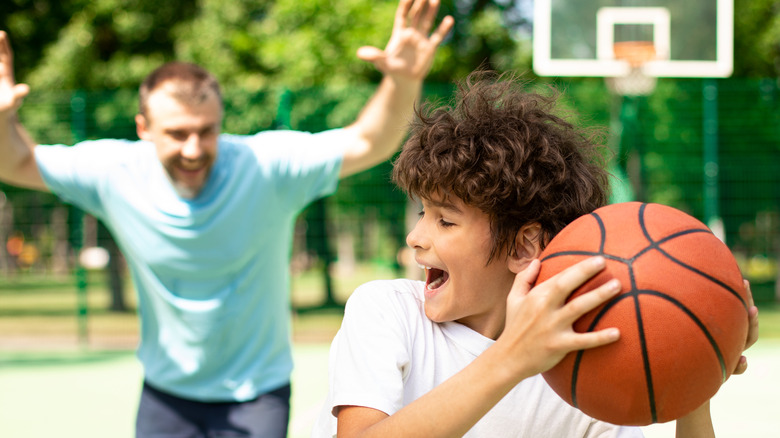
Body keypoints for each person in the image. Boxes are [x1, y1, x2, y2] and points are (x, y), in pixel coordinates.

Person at [0, 1, 454, 436]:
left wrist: (401, 81)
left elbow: (367, 143)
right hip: (166, 394)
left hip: (257, 393)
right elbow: (17, 163)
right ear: (143, 129)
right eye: (177, 134)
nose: (194, 149)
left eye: (206, 131)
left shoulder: (265, 166)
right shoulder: (114, 172)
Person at [313, 72, 760, 438]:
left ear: (524, 246)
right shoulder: (387, 312)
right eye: (422, 213)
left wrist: (697, 364)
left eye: (445, 221)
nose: (415, 237)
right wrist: (511, 358)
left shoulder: (584, 367)